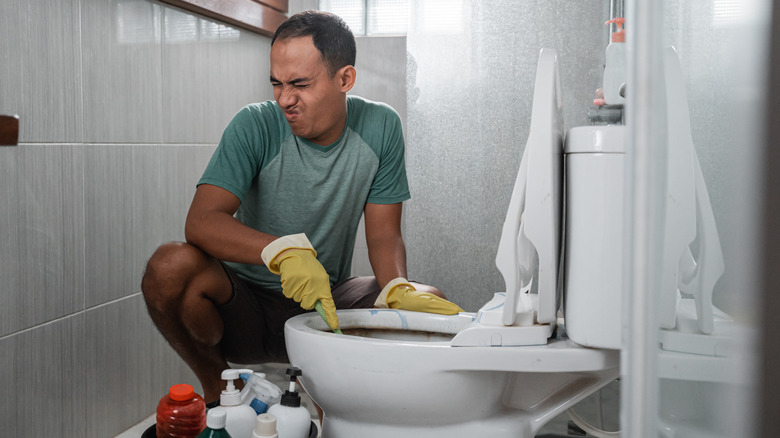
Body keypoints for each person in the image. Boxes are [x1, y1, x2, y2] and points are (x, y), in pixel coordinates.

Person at [141, 10, 463, 405]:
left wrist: (397, 285)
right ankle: (219, 389)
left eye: (299, 84)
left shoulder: (381, 127)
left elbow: (383, 233)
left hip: (323, 303)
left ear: (344, 79)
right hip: (242, 305)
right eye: (276, 83)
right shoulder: (255, 124)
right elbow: (202, 222)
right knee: (169, 267)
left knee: (425, 302)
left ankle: (340, 412)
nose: (284, 99)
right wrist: (282, 252)